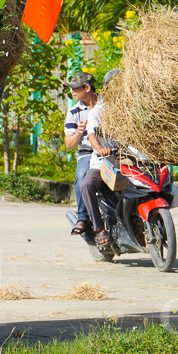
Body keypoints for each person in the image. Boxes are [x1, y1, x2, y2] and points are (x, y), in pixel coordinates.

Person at [78, 68, 121, 248]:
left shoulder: (133, 110)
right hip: (104, 161)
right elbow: (92, 135)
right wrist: (100, 149)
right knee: (86, 184)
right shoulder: (98, 111)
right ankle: (99, 229)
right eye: (114, 88)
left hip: (131, 161)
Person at [64, 72, 98, 235]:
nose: (72, 91)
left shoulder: (107, 106)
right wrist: (78, 133)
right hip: (87, 153)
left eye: (75, 88)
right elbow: (69, 145)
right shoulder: (73, 112)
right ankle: (83, 217)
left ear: (87, 88)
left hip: (108, 151)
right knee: (81, 174)